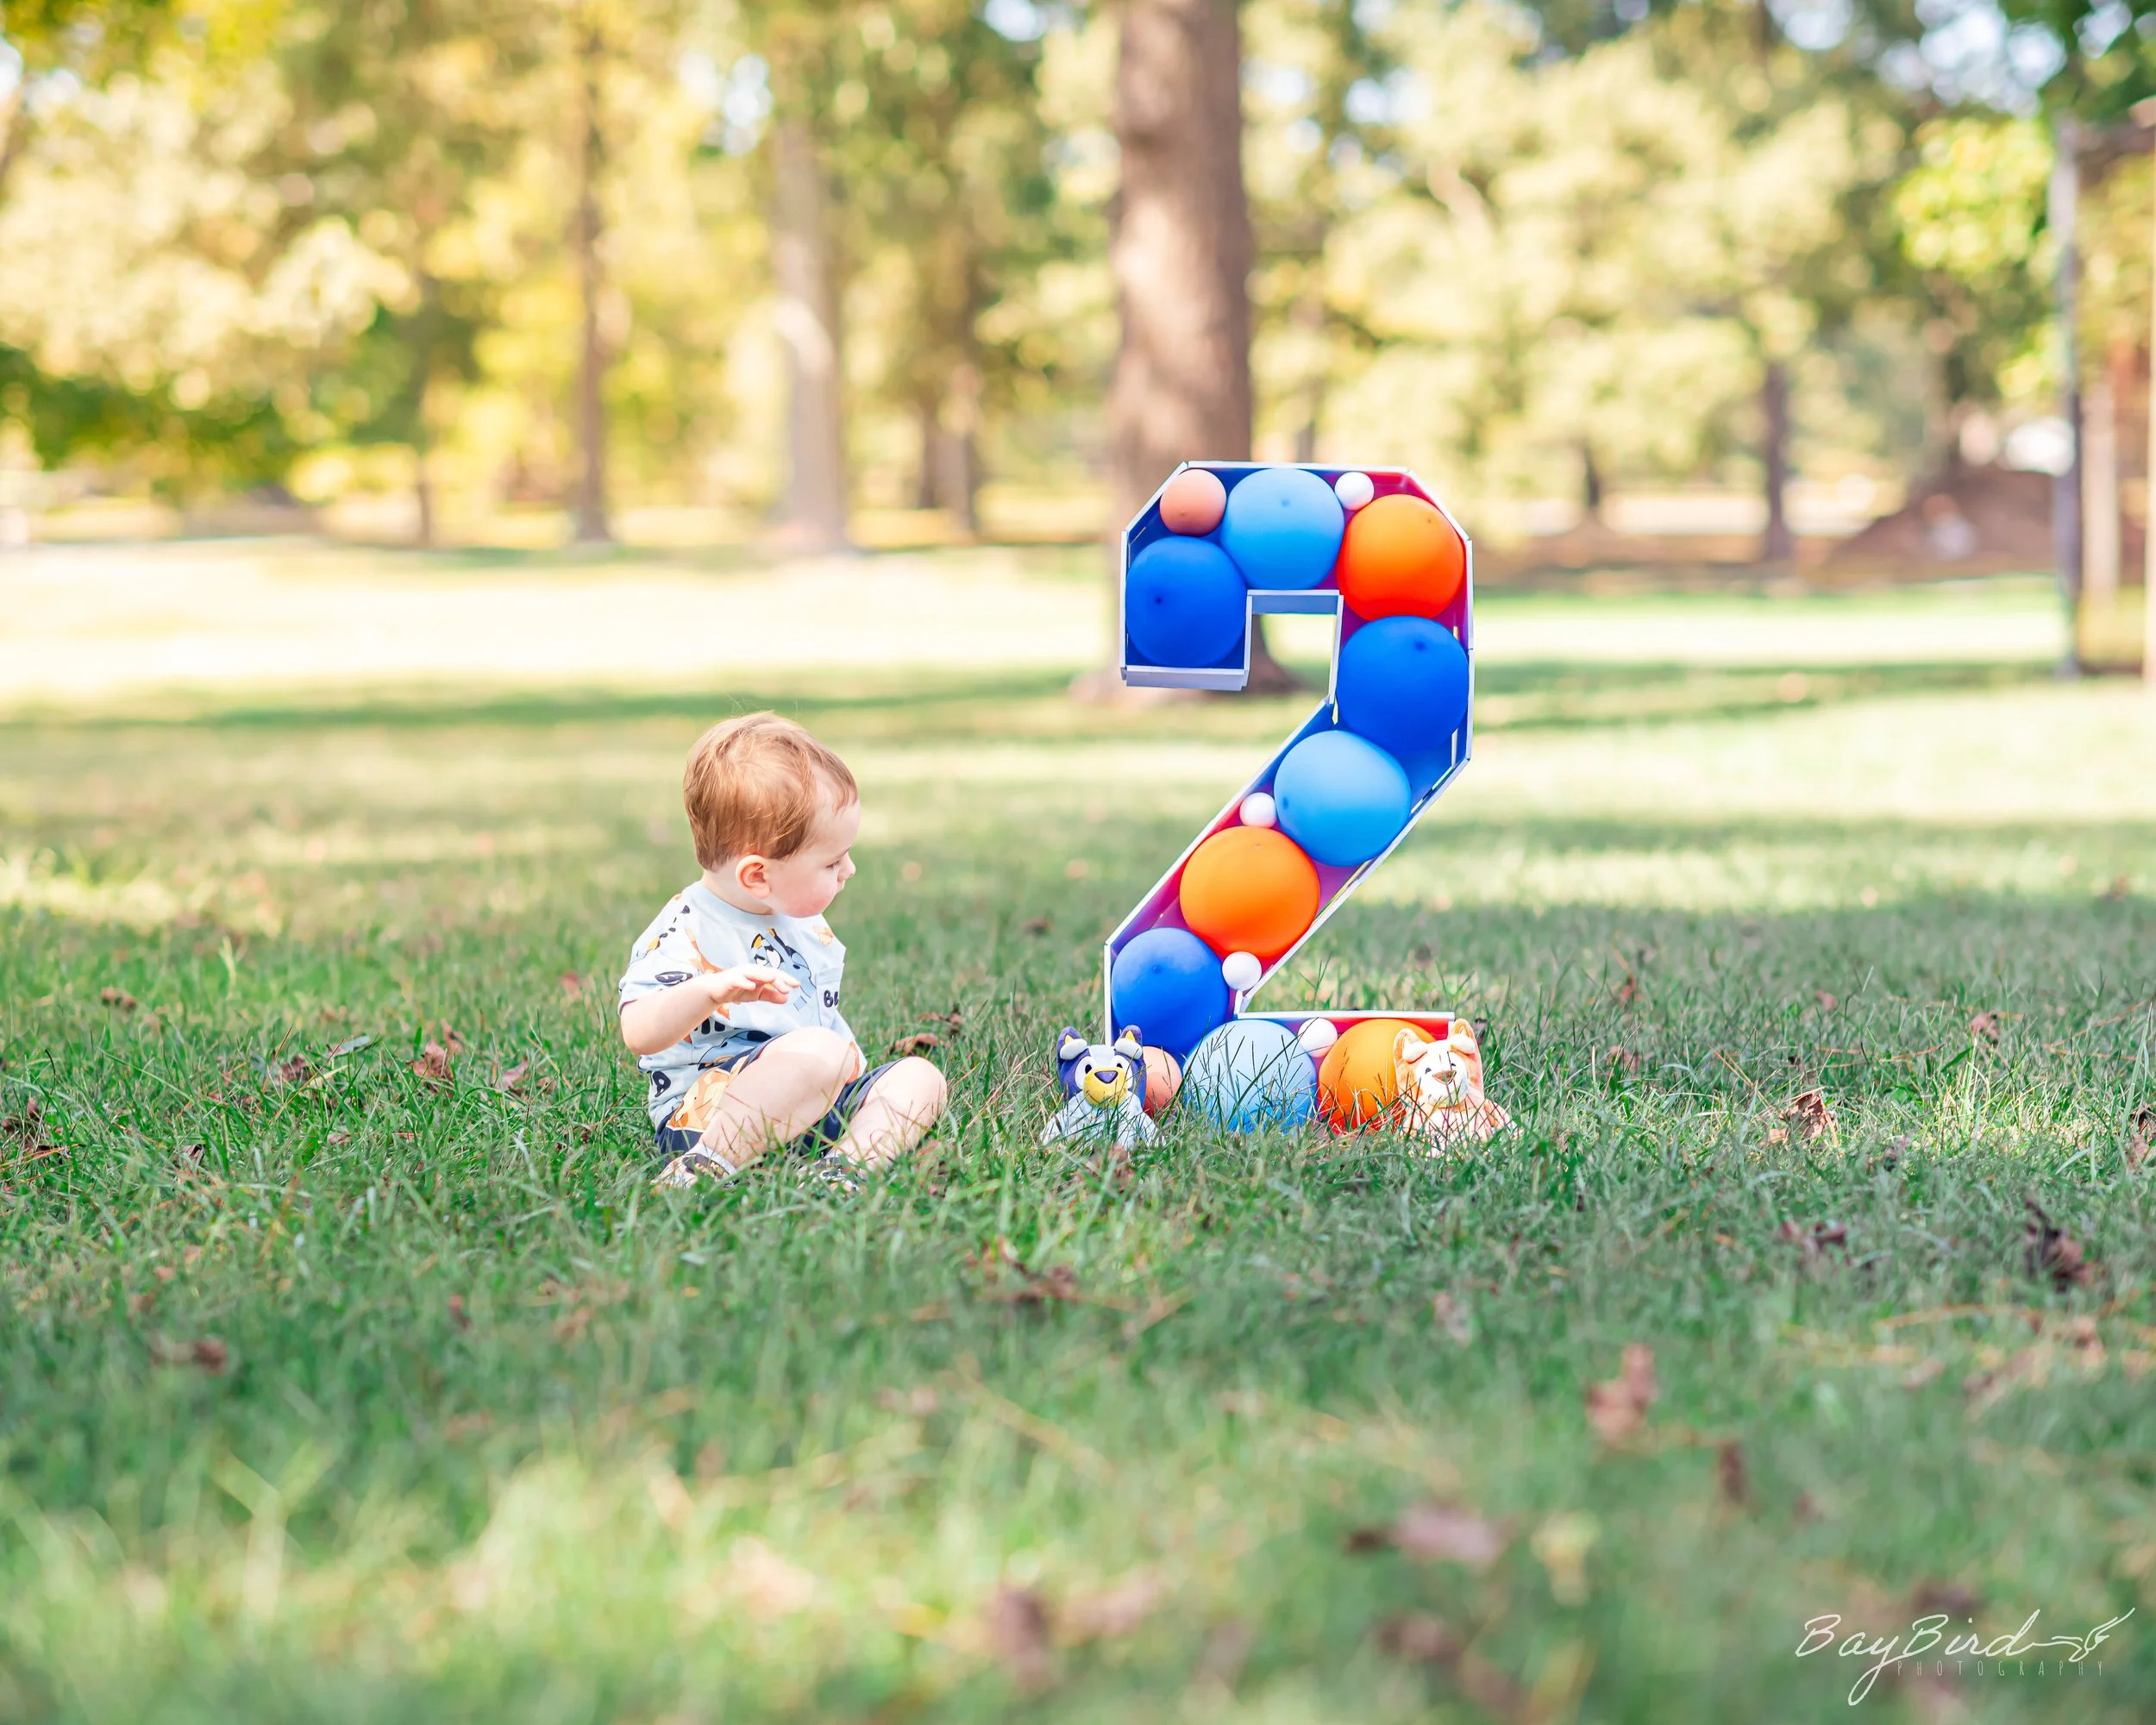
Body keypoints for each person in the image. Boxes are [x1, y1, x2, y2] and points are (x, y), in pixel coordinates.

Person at [618, 712, 947, 1186]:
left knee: (920, 1078)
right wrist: (710, 992)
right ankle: (708, 1163)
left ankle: (843, 1169)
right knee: (822, 1051)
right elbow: (639, 1030)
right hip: (712, 1114)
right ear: (758, 876)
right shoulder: (686, 930)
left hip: (818, 1095)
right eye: (832, 861)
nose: (849, 870)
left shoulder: (794, 915)